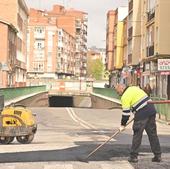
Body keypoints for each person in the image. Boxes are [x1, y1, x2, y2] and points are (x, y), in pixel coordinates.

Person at [115, 83, 162, 163]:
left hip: (142, 113)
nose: (117, 93)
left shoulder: (125, 97)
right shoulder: (134, 88)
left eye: (117, 91)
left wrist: (122, 125)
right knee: (152, 134)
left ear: (122, 88)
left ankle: (133, 156)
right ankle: (157, 155)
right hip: (151, 110)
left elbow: (126, 113)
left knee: (137, 135)